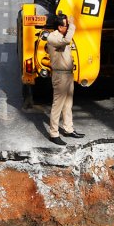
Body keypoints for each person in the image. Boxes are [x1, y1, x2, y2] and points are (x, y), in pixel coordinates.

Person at [46, 14, 84, 145]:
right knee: (58, 105)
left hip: (68, 74)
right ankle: (53, 133)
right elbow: (67, 41)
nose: (67, 27)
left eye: (68, 25)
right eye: (65, 25)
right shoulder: (53, 38)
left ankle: (68, 129)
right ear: (59, 26)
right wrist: (73, 25)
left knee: (68, 104)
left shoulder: (62, 36)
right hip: (60, 76)